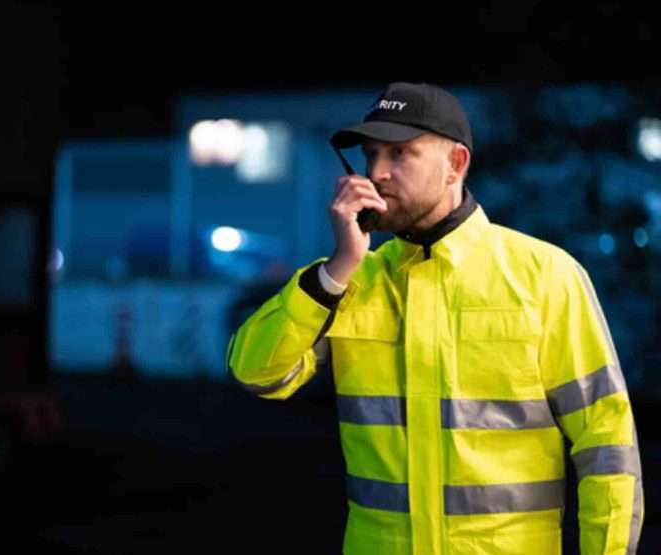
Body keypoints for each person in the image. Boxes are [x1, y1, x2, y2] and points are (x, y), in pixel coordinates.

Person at [225, 82, 643, 554]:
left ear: (456, 165)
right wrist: (337, 269)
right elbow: (256, 372)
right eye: (371, 155)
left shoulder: (546, 277)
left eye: (400, 154)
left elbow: (606, 443)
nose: (377, 173)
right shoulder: (348, 281)